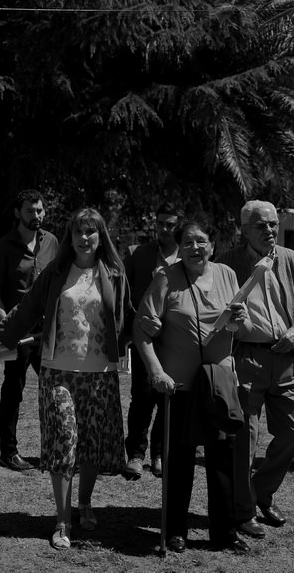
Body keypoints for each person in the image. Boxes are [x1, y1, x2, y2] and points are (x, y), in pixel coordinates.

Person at [0, 208, 132, 549]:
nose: (84, 238)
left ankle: (85, 503)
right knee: (64, 441)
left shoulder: (116, 274)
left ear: (100, 236)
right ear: (70, 237)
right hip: (58, 372)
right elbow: (27, 307)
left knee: (90, 445)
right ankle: (62, 520)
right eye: (78, 232)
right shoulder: (56, 272)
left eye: (91, 232)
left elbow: (130, 320)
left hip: (100, 374)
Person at [134, 218, 252, 554]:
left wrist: (240, 323)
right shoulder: (165, 278)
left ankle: (224, 532)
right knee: (179, 461)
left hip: (219, 385)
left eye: (201, 241)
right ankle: (175, 530)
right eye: (187, 242)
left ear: (212, 245)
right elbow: (142, 333)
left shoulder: (228, 275)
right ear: (179, 247)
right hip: (179, 387)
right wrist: (157, 372)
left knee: (222, 461)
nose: (195, 248)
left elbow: (239, 330)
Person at [218, 200, 294, 536]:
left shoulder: (290, 259)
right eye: (261, 225)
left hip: (286, 357)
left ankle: (261, 491)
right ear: (244, 229)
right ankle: (244, 510)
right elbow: (216, 309)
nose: (270, 231)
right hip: (246, 357)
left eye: (274, 224)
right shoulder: (228, 263)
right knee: (244, 438)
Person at [0, 189, 60, 471]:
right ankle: (9, 451)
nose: (37, 216)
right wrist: (7, 325)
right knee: (14, 388)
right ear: (17, 213)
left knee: (55, 389)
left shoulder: (52, 241)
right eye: (30, 211)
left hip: (48, 330)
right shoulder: (2, 248)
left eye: (40, 210)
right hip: (18, 331)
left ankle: (55, 449)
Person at [123, 204, 180, 480]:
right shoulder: (138, 254)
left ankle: (158, 453)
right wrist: (139, 323)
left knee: (167, 396)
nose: (164, 229)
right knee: (142, 397)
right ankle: (135, 454)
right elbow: (124, 294)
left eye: (170, 224)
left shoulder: (186, 257)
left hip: (175, 339)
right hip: (143, 338)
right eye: (160, 224)